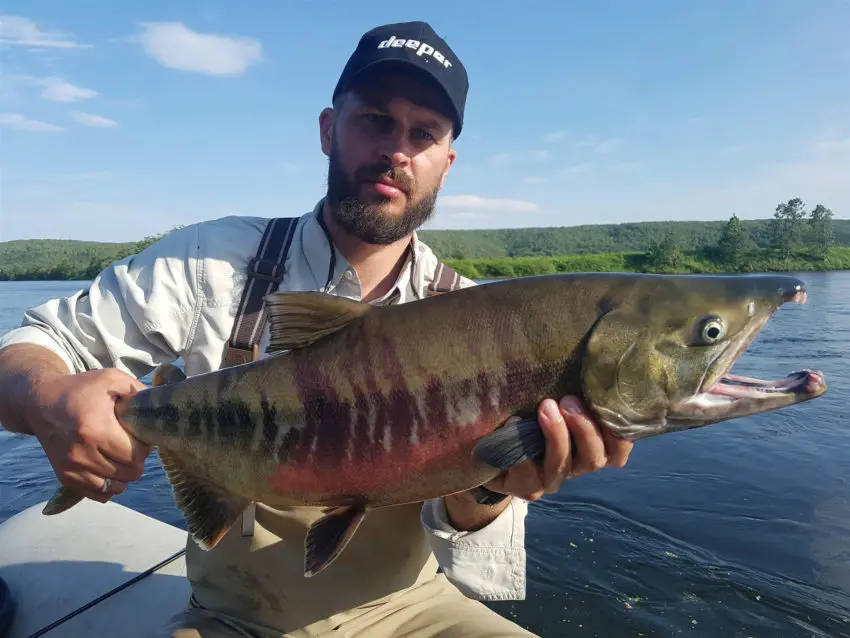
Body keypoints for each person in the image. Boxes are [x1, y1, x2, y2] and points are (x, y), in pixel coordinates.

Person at [0, 21, 634, 638]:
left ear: (447, 161)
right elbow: (29, 349)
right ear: (329, 130)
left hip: (413, 611)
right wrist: (46, 396)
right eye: (376, 120)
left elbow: (469, 547)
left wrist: (493, 491)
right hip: (235, 614)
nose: (396, 150)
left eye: (424, 133)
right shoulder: (208, 264)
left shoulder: (483, 322)